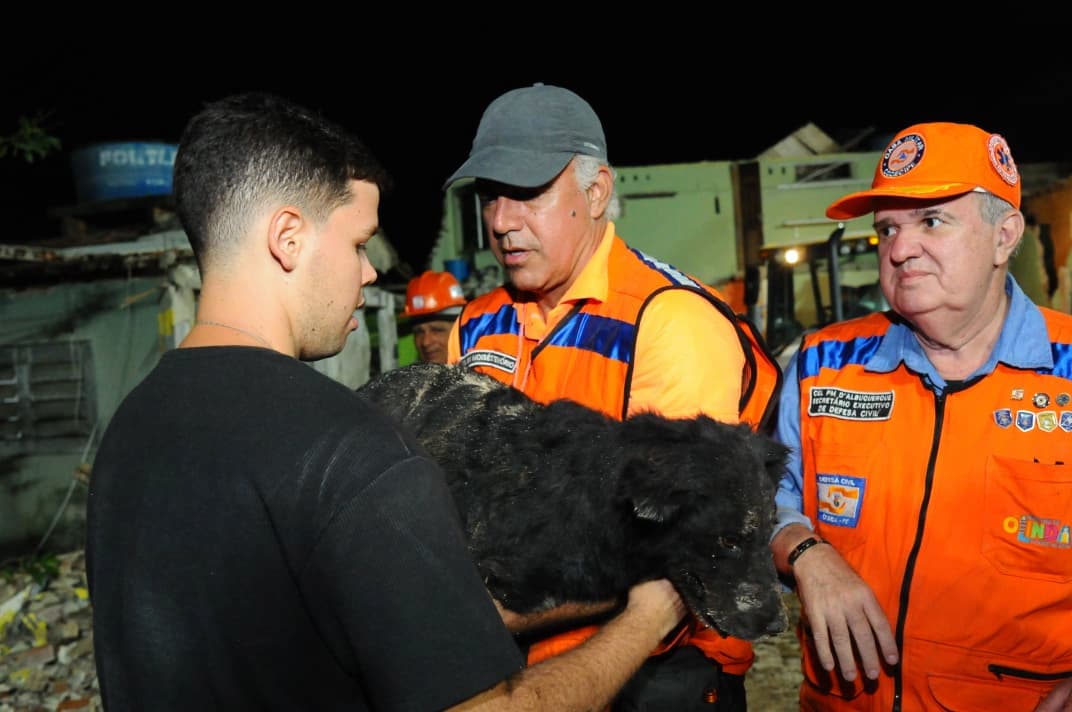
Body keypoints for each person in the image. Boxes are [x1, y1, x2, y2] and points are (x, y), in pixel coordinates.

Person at [84, 91, 689, 712]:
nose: (370, 272)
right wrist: (643, 620)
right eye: (358, 245)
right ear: (287, 238)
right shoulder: (354, 455)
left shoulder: (127, 435)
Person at [445, 83, 782, 711]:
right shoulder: (476, 322)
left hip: (652, 671)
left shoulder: (670, 321)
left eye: (528, 193)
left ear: (597, 191)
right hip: (513, 667)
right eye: (490, 195)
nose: (501, 221)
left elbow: (676, 548)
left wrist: (495, 609)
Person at [769, 122, 1072, 710]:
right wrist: (805, 551)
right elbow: (764, 498)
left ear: (1004, 235)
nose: (900, 249)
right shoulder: (821, 365)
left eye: (932, 221)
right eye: (887, 228)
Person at [404, 269, 467, 364]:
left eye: (436, 330)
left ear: (460, 332)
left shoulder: (483, 370)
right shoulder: (412, 373)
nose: (426, 342)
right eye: (419, 332)